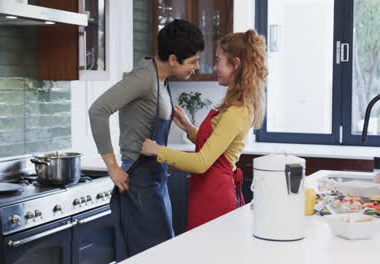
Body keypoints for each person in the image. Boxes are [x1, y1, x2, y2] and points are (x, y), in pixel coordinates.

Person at [88, 19, 204, 260]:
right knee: (151, 256)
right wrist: (112, 167)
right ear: (173, 59)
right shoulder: (143, 78)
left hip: (155, 179)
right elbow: (98, 110)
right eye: (192, 61)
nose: (197, 66)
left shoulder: (161, 78)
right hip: (138, 179)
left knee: (160, 252)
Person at [140, 29, 267, 230]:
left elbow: (201, 163)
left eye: (218, 61)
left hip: (215, 198)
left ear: (235, 64)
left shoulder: (238, 110)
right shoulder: (234, 103)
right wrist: (189, 129)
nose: (214, 67)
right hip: (206, 192)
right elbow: (217, 149)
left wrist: (157, 151)